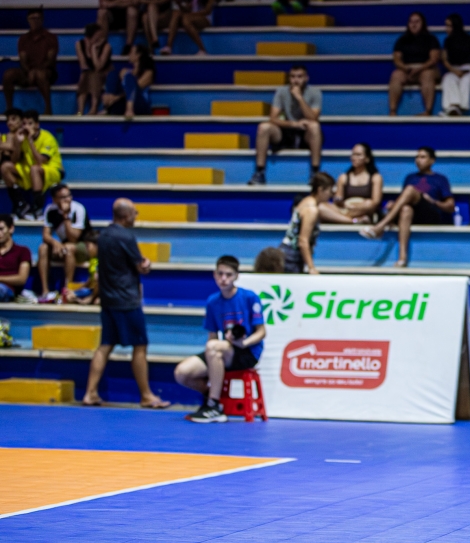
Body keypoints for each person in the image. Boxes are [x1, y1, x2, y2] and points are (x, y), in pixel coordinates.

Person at [82, 198, 169, 408]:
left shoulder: (103, 235)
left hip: (108, 299)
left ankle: (90, 393)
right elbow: (141, 266)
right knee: (140, 345)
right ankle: (146, 395)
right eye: (134, 212)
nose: (136, 216)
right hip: (127, 300)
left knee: (105, 345)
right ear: (127, 215)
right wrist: (147, 264)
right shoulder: (126, 236)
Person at [175, 255, 267, 424]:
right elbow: (211, 336)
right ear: (214, 274)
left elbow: (261, 332)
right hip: (223, 350)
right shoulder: (213, 302)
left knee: (213, 347)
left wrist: (244, 343)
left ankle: (214, 406)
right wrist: (211, 365)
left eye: (228, 275)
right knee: (182, 373)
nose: (224, 279)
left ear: (236, 276)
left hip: (247, 351)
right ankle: (210, 394)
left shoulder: (249, 297)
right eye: (220, 274)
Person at [361, 147, 453, 268]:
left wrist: (434, 201)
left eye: (422, 157)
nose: (418, 160)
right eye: (417, 157)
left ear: (432, 160)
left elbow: (450, 206)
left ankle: (380, 227)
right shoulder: (410, 177)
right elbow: (403, 200)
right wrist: (394, 204)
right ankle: (402, 258)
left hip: (430, 213)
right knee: (405, 209)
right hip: (413, 214)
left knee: (410, 189)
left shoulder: (440, 179)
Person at [248, 65, 322, 185]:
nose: (296, 80)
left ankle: (315, 173)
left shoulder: (315, 92)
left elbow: (313, 118)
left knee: (314, 126)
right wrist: (294, 124)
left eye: (299, 77)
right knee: (264, 127)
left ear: (306, 78)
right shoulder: (281, 92)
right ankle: (260, 172)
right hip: (286, 130)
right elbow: (273, 118)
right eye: (292, 77)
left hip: (306, 134)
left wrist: (299, 98)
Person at [2, 109, 62, 218]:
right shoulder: (21, 137)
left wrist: (30, 140)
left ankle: (37, 209)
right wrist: (18, 143)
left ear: (37, 125)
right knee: (5, 167)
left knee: (34, 169)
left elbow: (40, 161)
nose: (27, 127)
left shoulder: (47, 138)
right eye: (24, 124)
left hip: (52, 170)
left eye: (30, 124)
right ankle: (21, 205)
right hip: (30, 170)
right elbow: (14, 160)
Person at [36, 183, 90, 300]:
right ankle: (45, 291)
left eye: (69, 195)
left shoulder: (78, 209)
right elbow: (46, 235)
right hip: (64, 245)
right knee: (43, 248)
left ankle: (66, 290)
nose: (68, 199)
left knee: (69, 247)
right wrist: (55, 243)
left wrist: (66, 216)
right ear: (55, 199)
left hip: (83, 246)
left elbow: (73, 238)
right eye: (63, 197)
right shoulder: (50, 209)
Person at [3, 8, 58, 114]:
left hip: (47, 71)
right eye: (32, 18)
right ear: (28, 20)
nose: (35, 21)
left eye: (37, 18)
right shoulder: (23, 39)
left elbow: (50, 59)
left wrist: (36, 71)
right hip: (28, 71)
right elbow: (23, 59)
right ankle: (9, 109)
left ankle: (48, 109)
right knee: (8, 74)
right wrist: (29, 72)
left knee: (40, 74)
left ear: (42, 20)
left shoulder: (51, 37)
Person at [279, 172, 335, 274]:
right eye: (330, 191)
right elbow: (303, 240)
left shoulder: (306, 201)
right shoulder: (311, 210)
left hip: (286, 252)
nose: (331, 195)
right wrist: (311, 267)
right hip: (292, 257)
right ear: (320, 190)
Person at [388, 12, 441, 116]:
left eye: (417, 22)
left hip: (426, 68)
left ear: (423, 23)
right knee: (396, 75)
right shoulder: (402, 40)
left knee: (427, 75)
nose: (414, 24)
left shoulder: (431, 39)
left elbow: (434, 59)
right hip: (408, 69)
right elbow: (396, 59)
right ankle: (393, 111)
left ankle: (428, 111)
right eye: (411, 22)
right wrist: (405, 68)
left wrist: (419, 69)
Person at [332, 142, 383, 223]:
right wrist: (339, 201)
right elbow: (338, 199)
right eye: (353, 154)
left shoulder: (375, 177)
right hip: (346, 208)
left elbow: (375, 202)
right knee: (322, 207)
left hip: (365, 210)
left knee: (369, 204)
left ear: (367, 158)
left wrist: (356, 207)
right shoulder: (343, 177)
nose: (354, 158)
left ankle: (343, 218)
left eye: (358, 155)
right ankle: (353, 220)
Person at [102, 44, 155, 119]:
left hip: (140, 104)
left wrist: (115, 98)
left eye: (131, 52)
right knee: (113, 73)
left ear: (138, 55)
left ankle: (129, 109)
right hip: (123, 101)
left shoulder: (148, 72)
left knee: (129, 77)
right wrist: (111, 96)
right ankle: (108, 104)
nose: (129, 54)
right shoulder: (126, 71)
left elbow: (134, 90)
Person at [75, 23, 112, 115]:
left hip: (104, 72)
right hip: (88, 72)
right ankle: (80, 110)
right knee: (85, 75)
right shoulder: (79, 44)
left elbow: (98, 67)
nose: (101, 38)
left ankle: (94, 108)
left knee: (94, 75)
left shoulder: (106, 46)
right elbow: (83, 65)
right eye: (98, 36)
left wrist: (94, 49)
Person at [0, 214, 31, 302]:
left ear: (11, 229)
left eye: (1, 229)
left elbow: (22, 279)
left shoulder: (23, 251)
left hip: (8, 289)